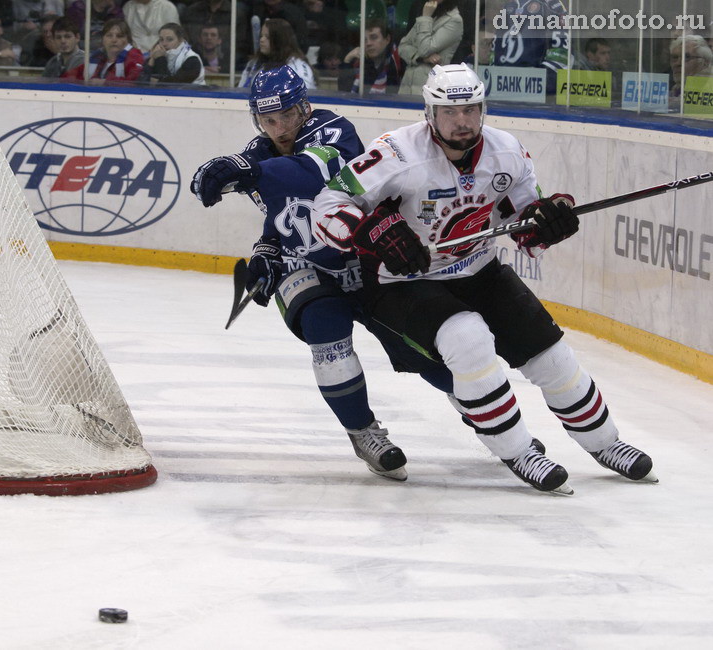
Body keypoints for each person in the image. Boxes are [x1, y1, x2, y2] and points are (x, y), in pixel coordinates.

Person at [312, 63, 657, 494]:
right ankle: (518, 451)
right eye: (450, 112)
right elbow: (327, 204)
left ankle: (606, 443)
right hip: (402, 283)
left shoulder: (507, 151)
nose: (462, 121)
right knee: (468, 339)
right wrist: (373, 232)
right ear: (429, 113)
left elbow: (525, 227)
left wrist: (548, 221)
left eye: (471, 109)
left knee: (551, 354)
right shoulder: (398, 153)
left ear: (483, 108)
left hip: (480, 270)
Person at [190, 65, 413, 481]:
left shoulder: (334, 130)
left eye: (287, 116)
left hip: (365, 257)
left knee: (422, 345)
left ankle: (482, 413)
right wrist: (267, 251)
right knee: (326, 338)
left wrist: (248, 171)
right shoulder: (257, 154)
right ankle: (364, 431)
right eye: (268, 120)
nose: (279, 128)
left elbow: (315, 174)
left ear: (304, 107)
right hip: (309, 267)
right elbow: (281, 216)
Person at [491, 0, 570, 94]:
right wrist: (494, 75)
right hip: (504, 86)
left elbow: (560, 55)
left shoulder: (553, 5)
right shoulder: (509, 5)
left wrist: (537, 79)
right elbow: (496, 47)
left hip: (534, 90)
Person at [398, 0, 463, 95]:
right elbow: (402, 46)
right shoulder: (431, 14)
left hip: (430, 90)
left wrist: (425, 17)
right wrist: (421, 58)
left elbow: (425, 50)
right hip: (406, 88)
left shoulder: (454, 20)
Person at [238, 18, 316, 89]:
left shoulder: (297, 68)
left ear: (280, 40)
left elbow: (302, 97)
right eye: (261, 36)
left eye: (267, 37)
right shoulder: (254, 63)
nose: (261, 40)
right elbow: (242, 91)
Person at [338, 18, 405, 94]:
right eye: (365, 40)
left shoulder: (398, 61)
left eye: (374, 37)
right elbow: (343, 95)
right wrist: (347, 59)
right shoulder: (358, 61)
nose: (368, 43)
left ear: (387, 39)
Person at [72, 18, 144, 84]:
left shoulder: (135, 57)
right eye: (109, 36)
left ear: (128, 40)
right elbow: (70, 77)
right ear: (103, 39)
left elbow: (135, 83)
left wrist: (105, 83)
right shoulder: (97, 57)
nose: (114, 40)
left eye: (119, 36)